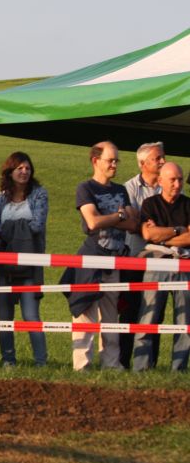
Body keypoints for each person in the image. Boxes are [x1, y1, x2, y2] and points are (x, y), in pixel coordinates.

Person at [62, 141, 139, 371]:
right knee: (84, 312)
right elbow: (92, 222)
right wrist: (118, 216)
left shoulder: (121, 190)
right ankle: (82, 365)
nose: (115, 164)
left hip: (115, 258)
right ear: (96, 161)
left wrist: (114, 217)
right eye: (110, 160)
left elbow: (133, 224)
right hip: (92, 258)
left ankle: (112, 365)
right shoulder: (85, 188)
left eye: (116, 160)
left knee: (111, 316)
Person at [0, 152, 49, 367]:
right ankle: (8, 360)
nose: (24, 172)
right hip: (3, 264)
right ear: (10, 171)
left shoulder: (39, 194)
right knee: (4, 316)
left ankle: (41, 361)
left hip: (29, 263)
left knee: (31, 314)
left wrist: (10, 229)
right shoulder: (0, 197)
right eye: (20, 168)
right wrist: (21, 228)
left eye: (28, 168)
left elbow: (38, 225)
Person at [132, 162, 190, 372]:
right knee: (148, 316)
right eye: (173, 179)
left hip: (184, 265)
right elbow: (148, 234)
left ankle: (179, 369)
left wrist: (163, 237)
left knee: (185, 321)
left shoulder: (187, 204)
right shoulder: (150, 204)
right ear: (160, 181)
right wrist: (178, 230)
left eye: (180, 179)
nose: (177, 184)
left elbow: (160, 235)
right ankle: (141, 368)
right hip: (156, 264)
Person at [120, 142, 165, 368]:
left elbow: (178, 220)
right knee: (130, 311)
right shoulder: (129, 188)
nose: (162, 161)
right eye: (157, 158)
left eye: (162, 157)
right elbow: (129, 224)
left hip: (161, 261)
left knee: (156, 314)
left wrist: (155, 228)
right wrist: (153, 230)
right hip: (134, 259)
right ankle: (123, 361)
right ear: (142, 163)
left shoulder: (170, 185)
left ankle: (150, 363)